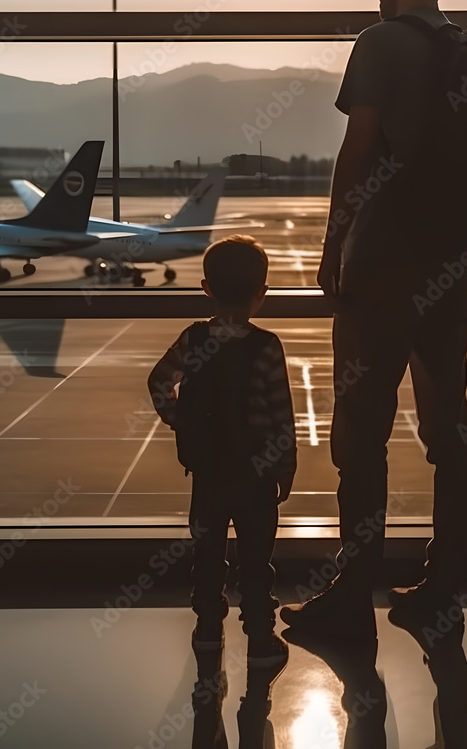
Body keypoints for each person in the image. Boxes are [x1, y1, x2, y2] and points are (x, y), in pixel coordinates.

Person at [281, 0, 467, 639]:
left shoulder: (381, 43)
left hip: (385, 272)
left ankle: (352, 594)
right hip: (452, 273)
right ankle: (442, 585)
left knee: (363, 435)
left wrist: (334, 246)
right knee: (447, 430)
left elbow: (356, 155)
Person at [147, 235, 296, 666]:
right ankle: (261, 637)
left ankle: (208, 627)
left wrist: (180, 420)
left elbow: (159, 381)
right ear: (260, 294)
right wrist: (286, 465)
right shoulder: (266, 347)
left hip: (208, 470)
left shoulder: (194, 340)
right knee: (255, 559)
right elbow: (281, 414)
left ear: (206, 288)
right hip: (256, 474)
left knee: (207, 555)